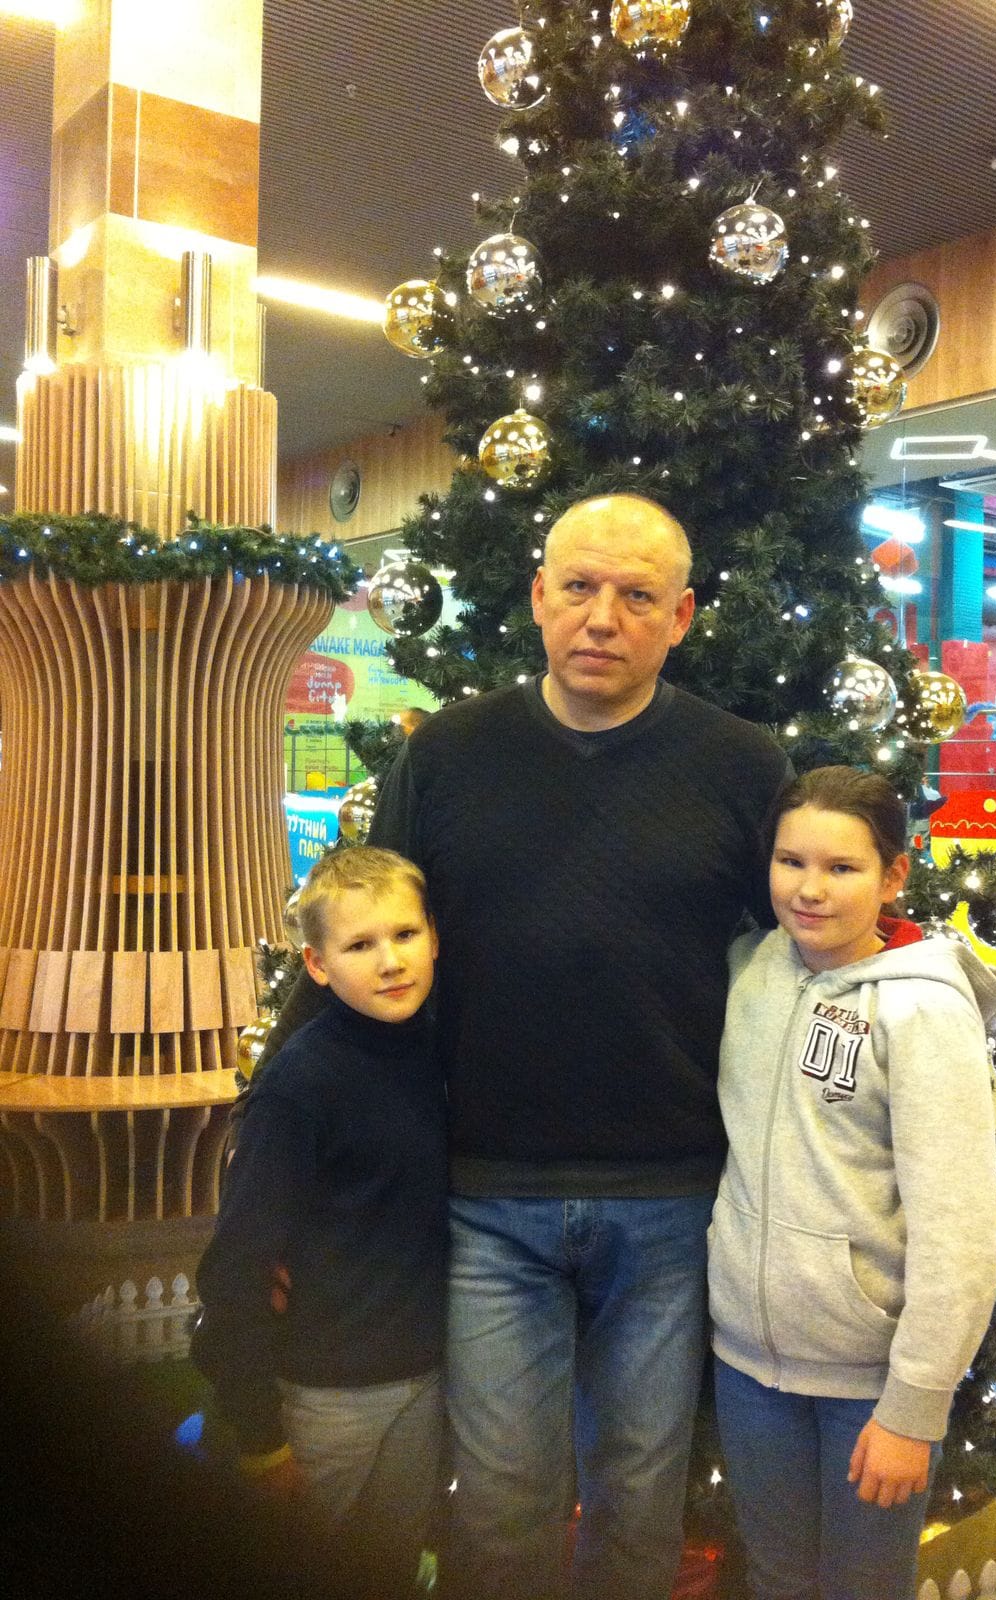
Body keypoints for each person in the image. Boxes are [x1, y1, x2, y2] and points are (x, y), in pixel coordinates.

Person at [263, 492, 791, 1600]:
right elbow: (360, 946)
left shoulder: (743, 765)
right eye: (580, 587)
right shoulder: (449, 755)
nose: (602, 617)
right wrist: (276, 1165)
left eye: (636, 596)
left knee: (640, 1503)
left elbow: (806, 953)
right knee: (501, 1511)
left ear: (680, 617)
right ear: (539, 595)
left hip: (670, 1200)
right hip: (485, 1197)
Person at [708, 766, 996, 1600]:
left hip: (866, 1388)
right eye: (790, 862)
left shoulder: (922, 1011)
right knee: (775, 1579)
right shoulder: (750, 970)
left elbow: (957, 1229)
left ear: (892, 875)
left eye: (841, 868)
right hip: (747, 1369)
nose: (809, 890)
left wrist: (912, 1409)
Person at [193, 846, 447, 1600]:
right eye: (359, 945)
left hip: (424, 1379)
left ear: (434, 937)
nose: (390, 961)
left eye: (404, 934)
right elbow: (236, 1266)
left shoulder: (441, 1051)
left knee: (387, 1570)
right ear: (317, 964)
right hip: (324, 1396)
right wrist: (261, 1438)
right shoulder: (299, 1087)